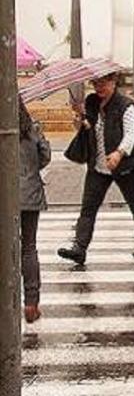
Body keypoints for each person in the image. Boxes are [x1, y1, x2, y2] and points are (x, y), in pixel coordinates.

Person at [58, 73, 134, 265]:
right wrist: (79, 116)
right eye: (95, 83)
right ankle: (79, 248)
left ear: (113, 82)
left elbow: (131, 134)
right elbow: (88, 127)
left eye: (103, 83)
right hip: (99, 165)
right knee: (88, 207)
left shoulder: (126, 105)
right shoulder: (92, 102)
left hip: (126, 165)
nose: (98, 87)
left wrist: (119, 153)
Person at [19, 98, 50, 323]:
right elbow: (44, 157)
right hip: (29, 194)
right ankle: (31, 303)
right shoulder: (32, 128)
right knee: (29, 247)